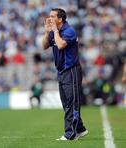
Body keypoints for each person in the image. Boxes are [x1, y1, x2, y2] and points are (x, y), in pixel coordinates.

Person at [42, 8, 88, 140]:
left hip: (71, 70)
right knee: (65, 102)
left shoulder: (69, 31)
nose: (49, 19)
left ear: (60, 19)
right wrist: (46, 33)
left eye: (52, 16)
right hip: (61, 71)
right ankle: (80, 128)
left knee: (71, 102)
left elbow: (61, 45)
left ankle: (70, 134)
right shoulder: (54, 32)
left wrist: (55, 30)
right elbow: (44, 46)